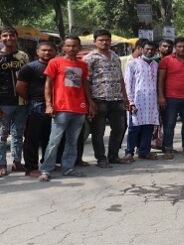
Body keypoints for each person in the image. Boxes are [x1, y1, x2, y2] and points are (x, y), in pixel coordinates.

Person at [38, 36, 95, 181]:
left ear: (79, 48)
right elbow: (48, 85)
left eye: (75, 46)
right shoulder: (55, 62)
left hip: (79, 109)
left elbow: (85, 85)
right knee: (54, 141)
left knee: (72, 141)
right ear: (63, 47)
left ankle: (68, 168)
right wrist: (49, 104)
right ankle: (46, 170)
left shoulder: (82, 65)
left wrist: (90, 103)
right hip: (61, 108)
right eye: (68, 46)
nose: (71, 49)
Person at [83, 29, 130, 168]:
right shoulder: (90, 58)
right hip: (99, 98)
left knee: (119, 128)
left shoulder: (115, 56)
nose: (104, 42)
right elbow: (85, 81)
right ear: (95, 42)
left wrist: (125, 97)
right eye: (101, 40)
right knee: (98, 132)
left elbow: (120, 77)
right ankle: (101, 158)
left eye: (107, 40)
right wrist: (90, 101)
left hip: (116, 98)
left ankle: (114, 156)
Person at [16, 42, 56, 177]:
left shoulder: (56, 66)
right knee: (32, 138)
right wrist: (31, 100)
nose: (47, 53)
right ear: (37, 52)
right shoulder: (30, 68)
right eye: (44, 50)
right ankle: (31, 167)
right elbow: (20, 88)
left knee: (49, 137)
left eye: (50, 50)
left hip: (55, 106)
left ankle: (47, 163)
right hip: (36, 106)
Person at [0, 26, 29, 176]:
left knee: (18, 134)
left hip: (22, 102)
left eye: (12, 35)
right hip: (4, 103)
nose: (8, 38)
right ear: (1, 38)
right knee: (2, 135)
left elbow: (28, 78)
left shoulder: (23, 56)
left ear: (16, 37)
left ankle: (17, 162)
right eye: (5, 36)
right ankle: (2, 164)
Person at [124, 40, 160, 160]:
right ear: (141, 49)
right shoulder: (133, 64)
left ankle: (145, 151)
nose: (149, 51)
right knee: (134, 128)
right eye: (147, 49)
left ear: (155, 50)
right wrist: (130, 101)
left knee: (148, 127)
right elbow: (128, 83)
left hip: (151, 102)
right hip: (137, 101)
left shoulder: (156, 65)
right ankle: (129, 152)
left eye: (152, 49)